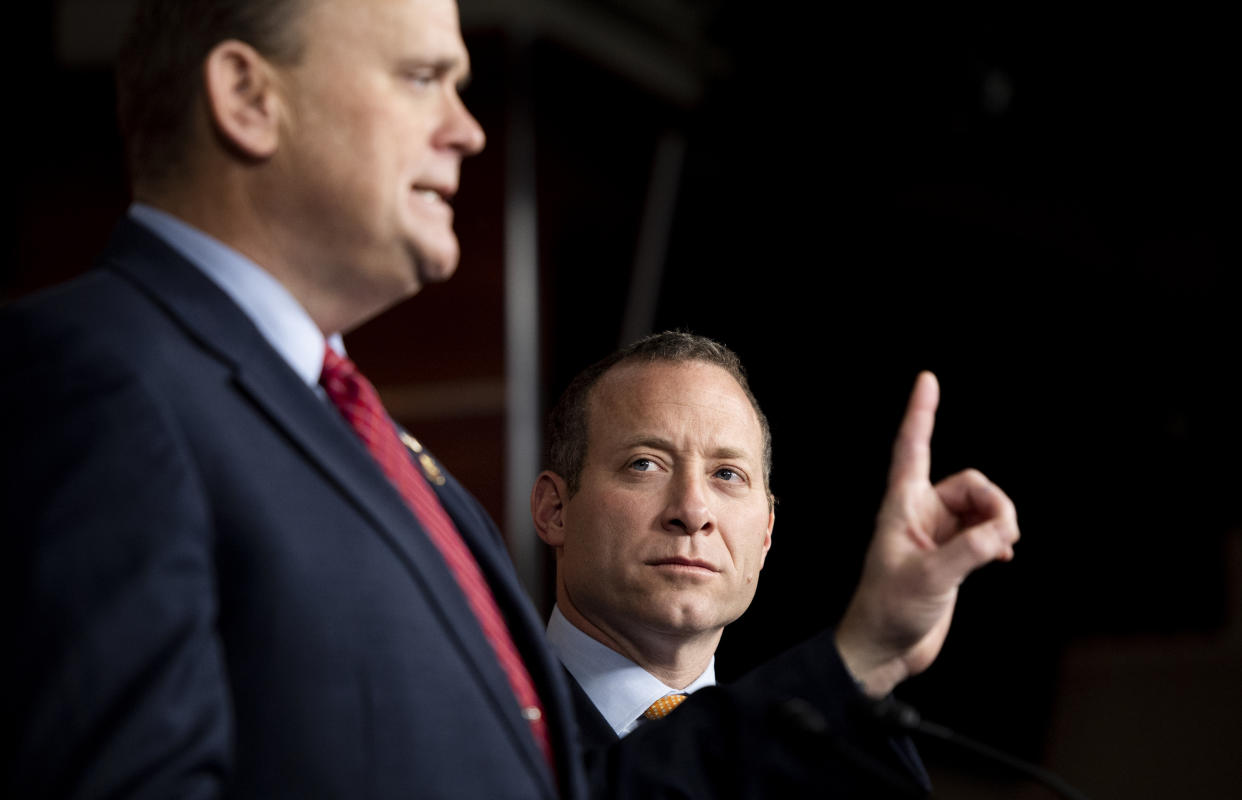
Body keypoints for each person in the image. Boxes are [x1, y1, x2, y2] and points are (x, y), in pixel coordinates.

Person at [2, 0, 1017, 796]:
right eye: (420, 78)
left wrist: (864, 651)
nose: (467, 130)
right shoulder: (92, 374)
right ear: (249, 96)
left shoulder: (393, 458)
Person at [532, 332, 1017, 786]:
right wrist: (860, 658)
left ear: (766, 535)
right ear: (555, 511)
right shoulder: (484, 717)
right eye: (645, 464)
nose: (693, 511)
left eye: (727, 474)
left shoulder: (841, 755)